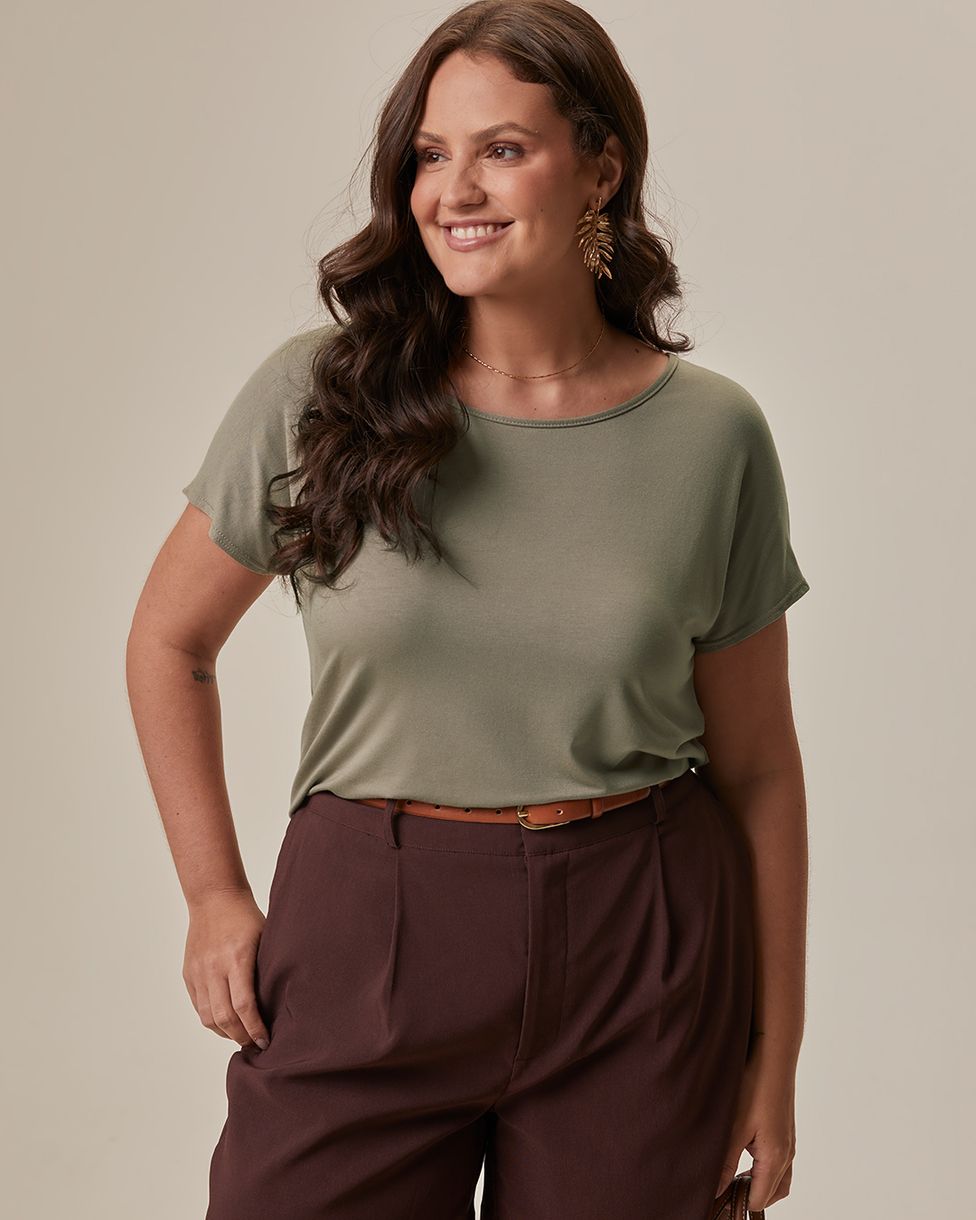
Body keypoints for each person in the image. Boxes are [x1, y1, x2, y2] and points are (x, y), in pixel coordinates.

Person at [126, 2, 810, 1216]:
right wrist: (212, 895)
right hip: (368, 917)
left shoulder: (713, 435)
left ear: (600, 168)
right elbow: (170, 640)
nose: (455, 190)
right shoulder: (319, 395)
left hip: (642, 939)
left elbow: (758, 767)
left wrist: (777, 1057)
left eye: (503, 148)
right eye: (431, 154)